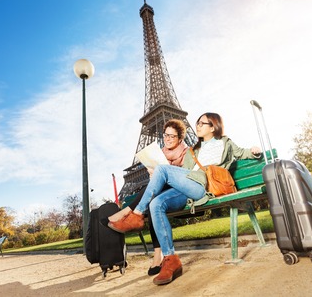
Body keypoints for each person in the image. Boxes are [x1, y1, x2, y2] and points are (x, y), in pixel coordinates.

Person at [108, 112, 262, 285]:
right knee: (156, 203)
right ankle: (171, 260)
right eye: (197, 123)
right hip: (186, 187)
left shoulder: (225, 143)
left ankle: (135, 216)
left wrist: (255, 151)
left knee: (162, 170)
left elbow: (242, 153)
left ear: (213, 126)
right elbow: (182, 173)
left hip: (202, 185)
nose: (197, 126)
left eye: (202, 123)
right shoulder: (193, 150)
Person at [106, 119, 189, 276]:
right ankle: (158, 254)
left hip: (177, 191)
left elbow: (186, 177)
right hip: (161, 191)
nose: (168, 139)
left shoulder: (186, 152)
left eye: (172, 136)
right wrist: (154, 176)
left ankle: (128, 213)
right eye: (166, 135)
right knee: (152, 200)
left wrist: (164, 173)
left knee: (152, 194)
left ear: (180, 138)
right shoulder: (161, 154)